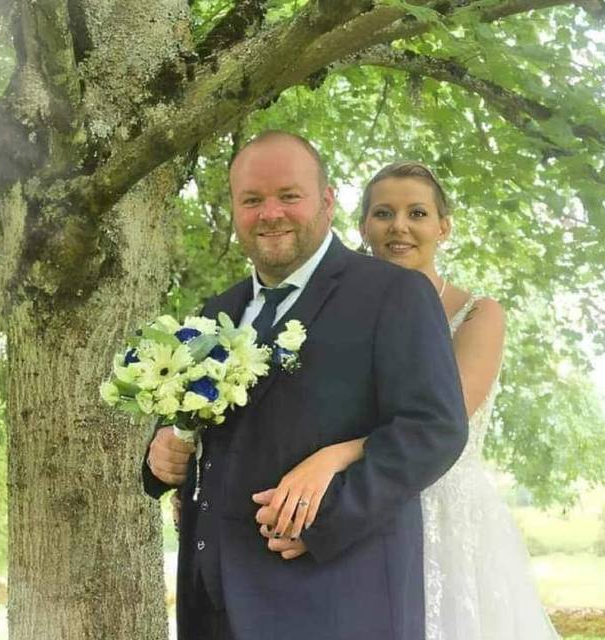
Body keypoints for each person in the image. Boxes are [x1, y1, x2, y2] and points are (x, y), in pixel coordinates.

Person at [142, 133, 469, 640]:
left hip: (336, 601)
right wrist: (163, 447)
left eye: (288, 196)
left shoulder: (394, 294)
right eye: (252, 200)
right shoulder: (215, 313)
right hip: (212, 606)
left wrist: (323, 518)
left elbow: (434, 430)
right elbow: (203, 426)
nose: (270, 213)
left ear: (328, 200)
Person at [266, 162, 561, 639]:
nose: (398, 226)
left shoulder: (476, 314)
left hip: (442, 511)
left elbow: (444, 420)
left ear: (442, 227)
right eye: (383, 213)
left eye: (417, 213)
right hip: (355, 505)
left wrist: (333, 456)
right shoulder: (331, 311)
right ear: (362, 227)